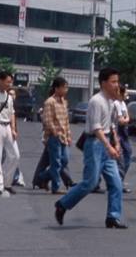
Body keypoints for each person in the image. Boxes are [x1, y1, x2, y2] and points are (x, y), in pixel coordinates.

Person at [54, 68, 126, 228]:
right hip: (95, 144)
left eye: (117, 81)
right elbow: (96, 128)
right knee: (90, 182)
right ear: (103, 83)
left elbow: (112, 125)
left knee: (116, 183)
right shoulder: (96, 101)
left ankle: (113, 217)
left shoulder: (112, 102)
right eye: (113, 81)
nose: (116, 85)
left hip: (106, 142)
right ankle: (62, 204)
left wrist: (116, 142)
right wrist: (109, 147)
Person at [34, 77, 71, 194]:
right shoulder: (50, 102)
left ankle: (42, 177)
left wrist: (68, 135)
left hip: (63, 136)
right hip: (54, 137)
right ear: (57, 88)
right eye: (64, 87)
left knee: (64, 160)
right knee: (56, 162)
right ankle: (56, 187)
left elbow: (66, 120)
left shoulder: (64, 102)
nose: (66, 90)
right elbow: (48, 120)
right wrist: (55, 133)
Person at [114, 85, 133, 193]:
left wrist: (125, 119)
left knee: (128, 156)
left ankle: (118, 181)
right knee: (120, 159)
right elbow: (121, 120)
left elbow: (127, 117)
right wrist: (125, 120)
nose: (127, 95)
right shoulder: (116, 103)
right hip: (118, 132)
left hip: (124, 133)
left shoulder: (123, 104)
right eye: (125, 92)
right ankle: (117, 182)